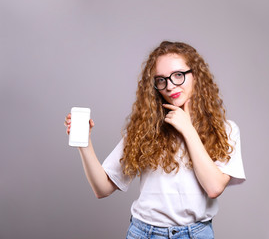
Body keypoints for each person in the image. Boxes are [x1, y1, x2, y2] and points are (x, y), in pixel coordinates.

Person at [64, 41, 246, 238]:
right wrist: (84, 143)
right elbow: (102, 188)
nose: (169, 86)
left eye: (178, 75)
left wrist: (187, 128)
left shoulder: (226, 130)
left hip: (196, 234)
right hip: (144, 233)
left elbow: (214, 187)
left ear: (196, 75)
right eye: (161, 80)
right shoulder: (145, 129)